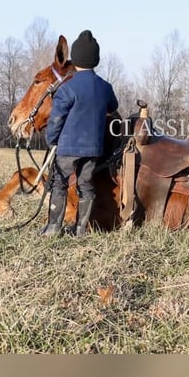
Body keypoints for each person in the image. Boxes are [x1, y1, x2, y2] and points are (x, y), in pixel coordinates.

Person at [40, 30, 119, 237]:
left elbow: (57, 119)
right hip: (93, 149)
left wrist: (52, 139)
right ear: (96, 60)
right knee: (86, 185)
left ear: (76, 59)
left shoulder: (68, 88)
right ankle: (81, 229)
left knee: (59, 183)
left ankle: (54, 228)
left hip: (68, 147)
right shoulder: (105, 87)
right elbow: (113, 107)